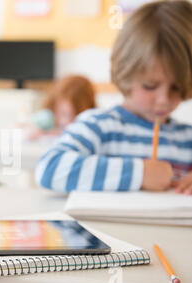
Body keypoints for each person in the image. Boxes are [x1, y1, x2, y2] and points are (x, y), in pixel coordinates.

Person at [35, 0, 192, 194]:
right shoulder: (98, 126)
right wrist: (139, 173)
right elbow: (49, 169)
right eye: (150, 86)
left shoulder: (187, 138)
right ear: (126, 72)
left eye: (177, 87)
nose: (164, 99)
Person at [23, 75, 96, 140]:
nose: (66, 121)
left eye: (74, 115)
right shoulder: (47, 117)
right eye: (63, 113)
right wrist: (33, 129)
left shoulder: (91, 121)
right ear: (54, 107)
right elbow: (24, 125)